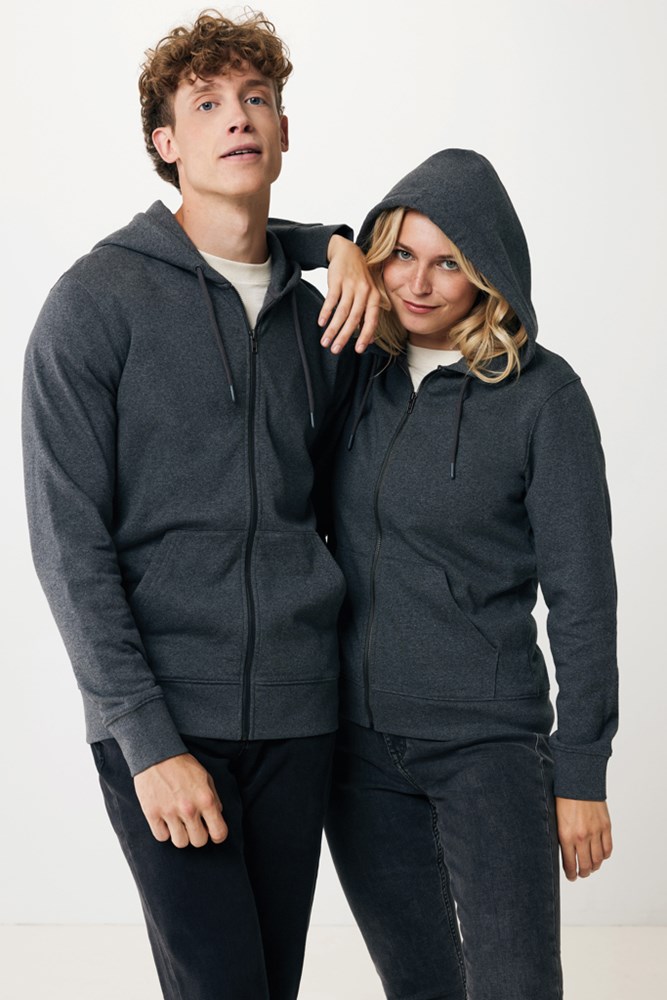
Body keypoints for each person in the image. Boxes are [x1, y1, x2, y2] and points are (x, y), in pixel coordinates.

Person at [22, 10, 377, 1000]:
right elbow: (67, 542)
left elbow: (349, 503)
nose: (238, 118)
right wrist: (146, 740)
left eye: (256, 98)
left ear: (283, 129)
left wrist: (337, 244)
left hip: (300, 714)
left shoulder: (324, 320)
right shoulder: (94, 304)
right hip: (166, 715)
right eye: (207, 103)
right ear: (165, 143)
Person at [324, 148, 617, 1000]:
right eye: (399, 255)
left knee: (514, 986)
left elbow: (582, 596)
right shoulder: (355, 366)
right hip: (357, 751)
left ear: (488, 272)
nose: (418, 283)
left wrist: (581, 771)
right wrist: (331, 244)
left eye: (448, 262)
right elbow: (261, 244)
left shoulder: (542, 397)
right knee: (417, 987)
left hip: (487, 750)